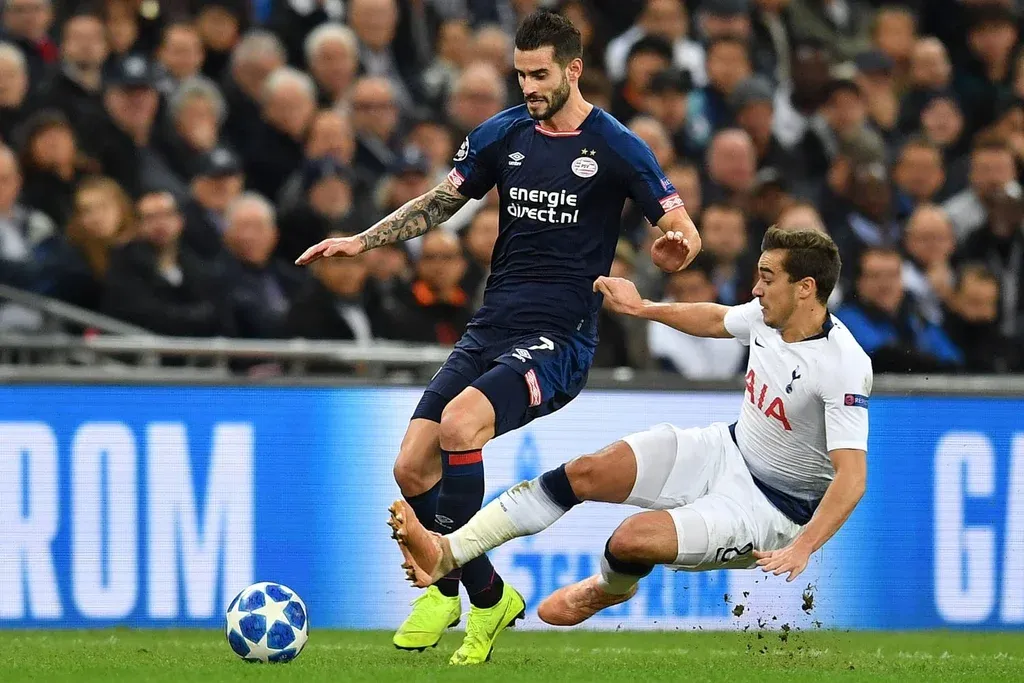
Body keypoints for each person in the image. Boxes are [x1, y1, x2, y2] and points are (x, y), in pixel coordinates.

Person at [295, 10, 700, 665]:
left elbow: (682, 225)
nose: (529, 86)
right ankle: (482, 595)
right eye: (521, 75)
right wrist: (362, 240)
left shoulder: (618, 144)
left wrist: (678, 248)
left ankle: (442, 567)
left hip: (559, 340)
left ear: (573, 70)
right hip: (492, 327)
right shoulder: (502, 133)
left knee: (460, 424)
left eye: (540, 74)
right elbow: (440, 202)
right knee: (411, 466)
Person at [389, 227, 872, 630]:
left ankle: (607, 588)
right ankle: (447, 552)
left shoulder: (843, 366)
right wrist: (644, 308)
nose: (756, 290)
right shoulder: (769, 317)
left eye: (767, 278)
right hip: (725, 448)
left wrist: (804, 547)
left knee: (629, 540)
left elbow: (851, 477)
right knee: (585, 472)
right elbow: (717, 318)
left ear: (805, 288)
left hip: (769, 508)